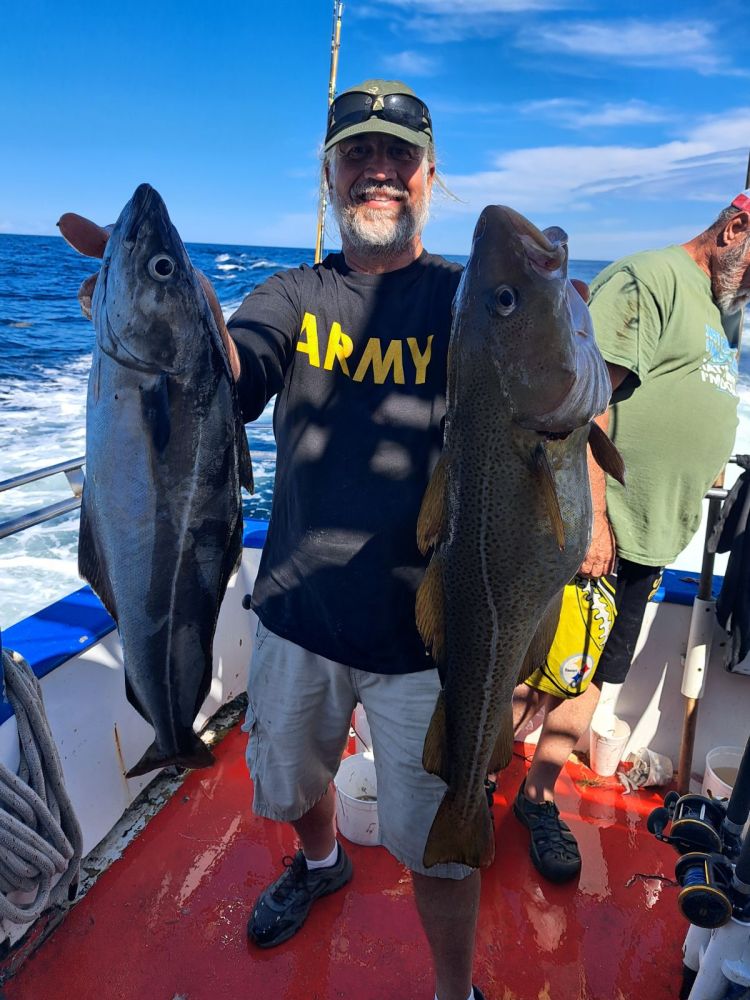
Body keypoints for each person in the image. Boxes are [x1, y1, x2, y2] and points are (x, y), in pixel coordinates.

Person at [220, 80, 490, 1000]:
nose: (377, 172)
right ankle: (324, 859)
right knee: (290, 786)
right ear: (330, 174)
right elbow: (240, 363)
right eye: (357, 155)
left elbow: (555, 404)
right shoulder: (294, 292)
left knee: (444, 851)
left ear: (427, 175)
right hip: (298, 611)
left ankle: (454, 990)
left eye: (398, 156)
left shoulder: (469, 302)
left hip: (432, 634)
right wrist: (174, 328)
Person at [508, 190, 750, 884]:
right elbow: (584, 404)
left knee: (591, 678)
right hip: (595, 536)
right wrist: (594, 519)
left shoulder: (724, 310)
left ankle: (536, 798)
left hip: (649, 538)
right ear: (735, 227)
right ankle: (471, 782)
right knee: (531, 671)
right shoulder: (650, 279)